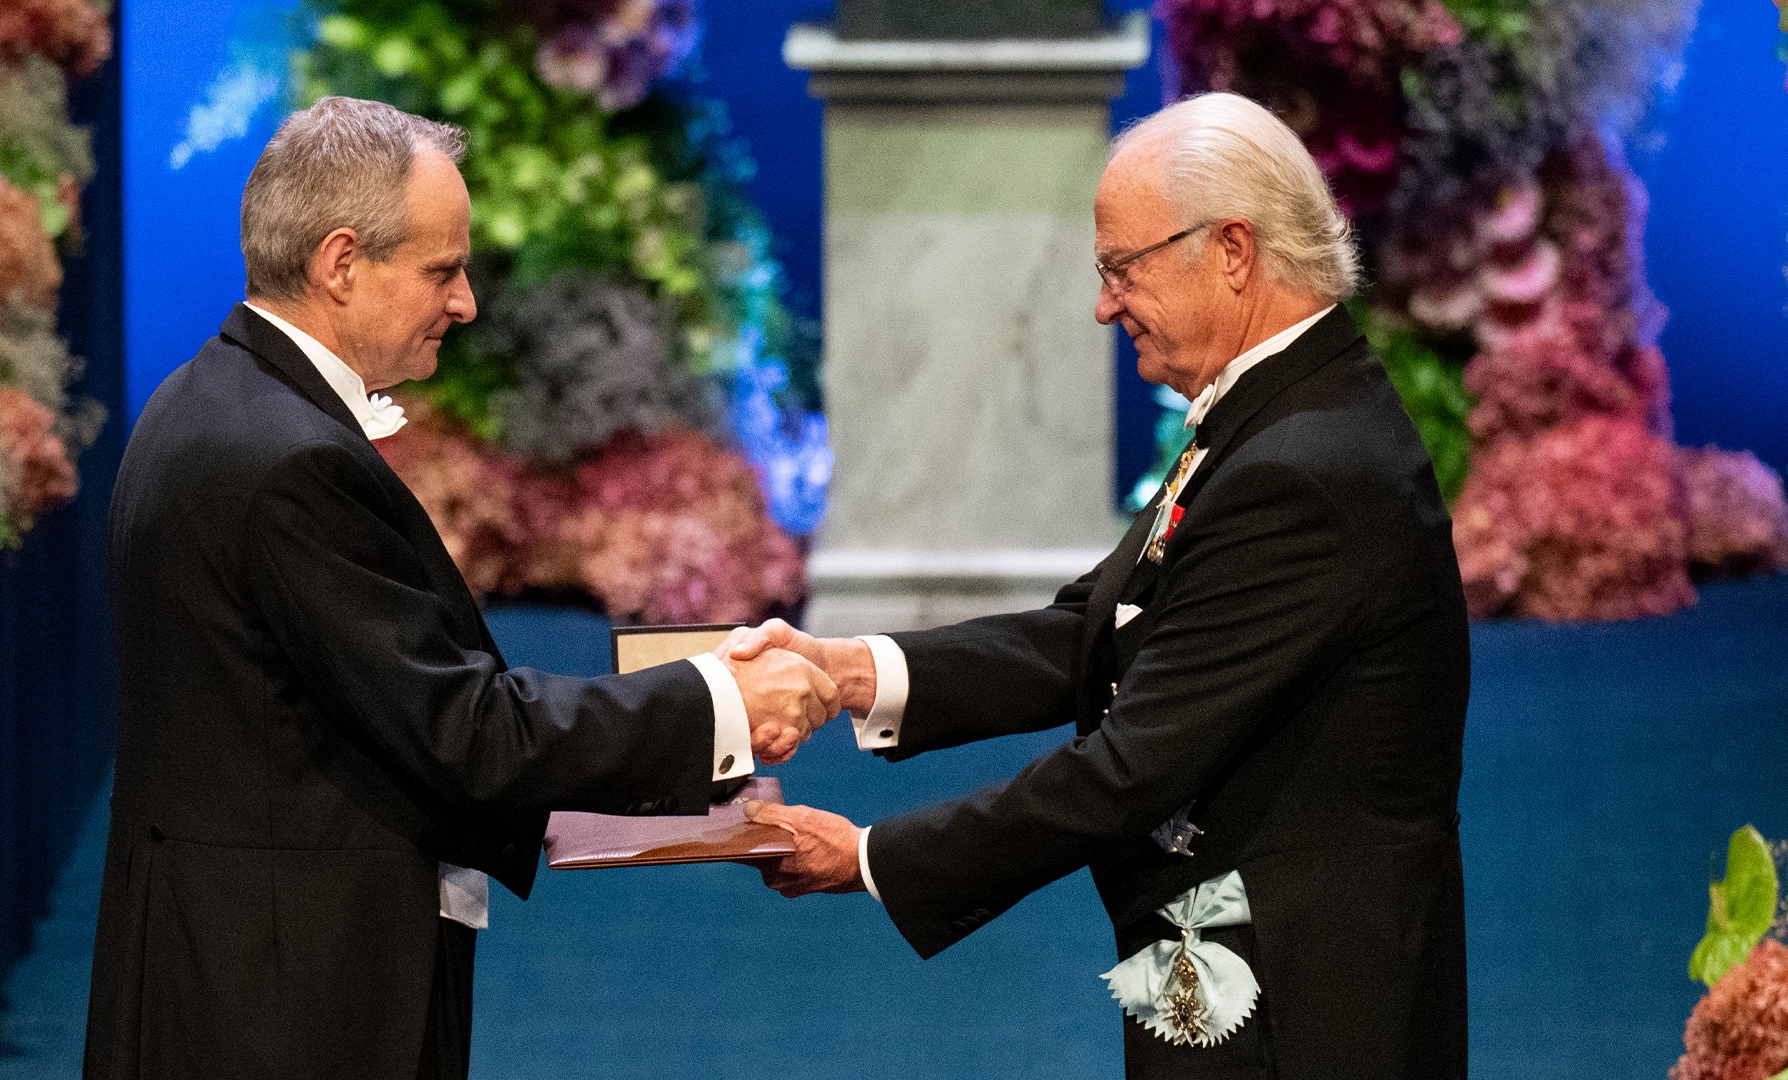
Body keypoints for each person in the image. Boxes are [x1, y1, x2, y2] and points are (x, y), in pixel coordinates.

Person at [85, 96, 838, 1080]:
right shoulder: (287, 463)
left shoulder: (209, 403)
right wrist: (721, 701)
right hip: (283, 1003)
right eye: (442, 270)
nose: (467, 302)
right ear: (341, 263)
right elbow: (466, 735)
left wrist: (667, 789)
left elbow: (365, 723)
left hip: (244, 964)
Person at [732, 92, 1470, 1079]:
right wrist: (848, 672)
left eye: (1123, 269)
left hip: (1300, 1001)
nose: (1104, 306)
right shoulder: (1277, 410)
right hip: (1218, 952)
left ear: (1233, 251)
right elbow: (1099, 627)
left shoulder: (1306, 466)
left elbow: (1131, 769)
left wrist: (870, 856)